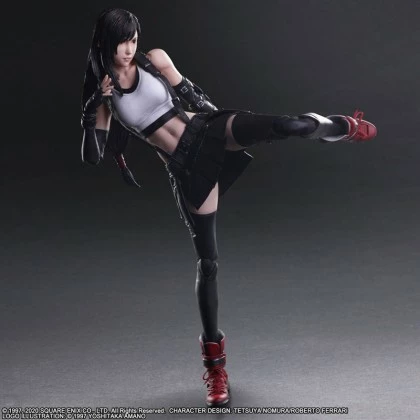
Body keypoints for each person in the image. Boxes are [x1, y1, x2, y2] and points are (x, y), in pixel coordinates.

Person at [80, 8, 377, 407]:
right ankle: (216, 368)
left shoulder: (155, 60)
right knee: (208, 264)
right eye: (122, 42)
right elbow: (92, 156)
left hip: (204, 129)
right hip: (186, 167)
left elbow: (197, 99)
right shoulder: (105, 97)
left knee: (288, 126)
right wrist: (91, 109)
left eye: (133, 39)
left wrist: (226, 126)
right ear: (106, 42)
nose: (129, 49)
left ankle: (340, 127)